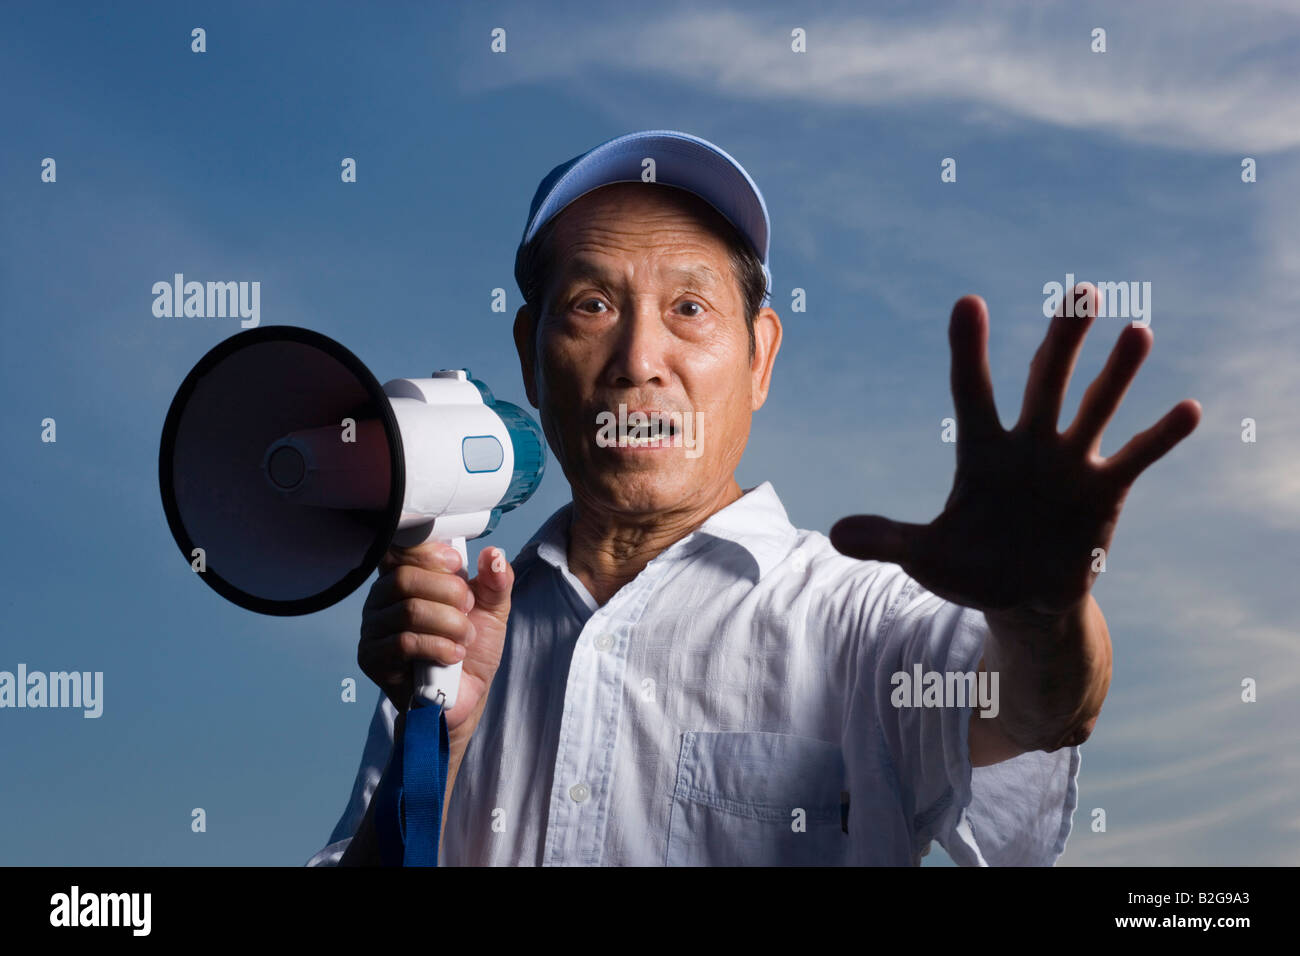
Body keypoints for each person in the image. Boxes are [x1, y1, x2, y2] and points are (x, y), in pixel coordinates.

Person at [306, 129, 1200, 866]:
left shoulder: (863, 621)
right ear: (528, 353)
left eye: (690, 309)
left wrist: (1043, 611)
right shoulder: (451, 632)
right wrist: (441, 744)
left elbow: (1042, 707)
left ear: (760, 356)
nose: (638, 362)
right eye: (589, 306)